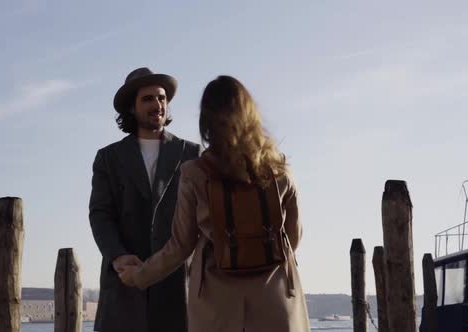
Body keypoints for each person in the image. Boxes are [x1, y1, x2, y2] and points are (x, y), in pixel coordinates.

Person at [119, 75, 310, 331]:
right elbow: (293, 237)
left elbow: (179, 246)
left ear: (207, 120)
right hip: (275, 299)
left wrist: (139, 276)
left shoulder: (196, 173)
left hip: (216, 303)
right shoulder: (280, 170)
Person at [89, 67, 201, 332]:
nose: (158, 105)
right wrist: (117, 256)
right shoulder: (108, 158)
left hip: (176, 284)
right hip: (124, 283)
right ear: (131, 107)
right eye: (148, 99)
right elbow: (100, 215)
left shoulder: (191, 153)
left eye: (162, 98)